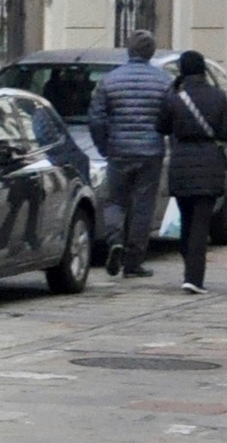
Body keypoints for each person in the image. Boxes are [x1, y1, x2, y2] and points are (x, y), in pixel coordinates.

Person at [90, 29, 171, 277]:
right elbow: (170, 116)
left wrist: (104, 146)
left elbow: (96, 118)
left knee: (114, 200)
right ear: (151, 52)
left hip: (119, 151)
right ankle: (133, 261)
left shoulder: (110, 80)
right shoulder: (163, 81)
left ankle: (114, 238)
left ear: (129, 50)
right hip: (150, 152)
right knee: (143, 206)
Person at [162, 50, 227, 294]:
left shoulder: (175, 98)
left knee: (186, 219)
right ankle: (193, 277)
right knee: (201, 221)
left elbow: (162, 126)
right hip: (210, 163)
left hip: (180, 162)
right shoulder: (219, 97)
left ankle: (189, 268)